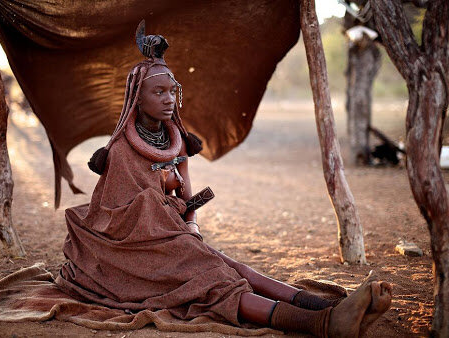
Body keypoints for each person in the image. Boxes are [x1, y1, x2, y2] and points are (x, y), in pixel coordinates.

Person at [56, 21, 391, 337]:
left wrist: (191, 225)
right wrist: (162, 197)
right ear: (137, 99)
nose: (168, 99)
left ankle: (328, 306)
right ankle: (320, 323)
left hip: (174, 237)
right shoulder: (120, 152)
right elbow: (117, 219)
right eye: (158, 92)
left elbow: (188, 202)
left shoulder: (176, 141)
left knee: (232, 268)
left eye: (172, 91)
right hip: (127, 255)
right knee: (215, 282)